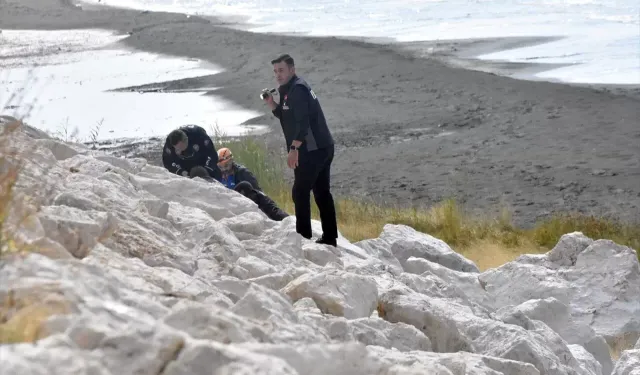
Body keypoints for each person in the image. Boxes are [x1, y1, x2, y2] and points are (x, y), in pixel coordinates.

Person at [262, 53, 338, 247]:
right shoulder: (289, 90)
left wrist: (294, 148)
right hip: (321, 147)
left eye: (281, 70)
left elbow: (302, 123)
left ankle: (303, 239)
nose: (278, 75)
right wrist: (272, 104)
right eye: (275, 71)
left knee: (300, 191)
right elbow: (288, 116)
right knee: (321, 192)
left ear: (292, 70)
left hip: (312, 149)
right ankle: (329, 238)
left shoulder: (298, 90)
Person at [189, 166, 289, 221]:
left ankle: (282, 217)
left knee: (252, 191)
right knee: (249, 189)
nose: (223, 169)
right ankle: (282, 217)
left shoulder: (240, 172)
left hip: (232, 201)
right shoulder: (210, 183)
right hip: (231, 204)